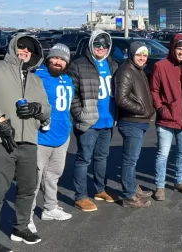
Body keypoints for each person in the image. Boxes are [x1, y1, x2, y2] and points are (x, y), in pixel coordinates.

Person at [0, 33, 51, 250]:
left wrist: (37, 109)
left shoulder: (36, 79)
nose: (25, 51)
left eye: (29, 49)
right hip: (0, 139)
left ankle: (21, 227)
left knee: (28, 188)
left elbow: (47, 109)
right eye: (21, 46)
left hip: (29, 141)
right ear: (13, 47)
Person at [68, 29, 118, 212]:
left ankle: (100, 190)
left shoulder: (112, 64)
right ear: (91, 44)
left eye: (104, 44)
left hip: (108, 121)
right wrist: (79, 113)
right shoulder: (79, 64)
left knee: (102, 158)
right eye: (97, 44)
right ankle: (80, 196)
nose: (101, 48)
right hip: (88, 123)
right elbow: (71, 93)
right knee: (84, 159)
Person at [29, 44, 73, 235]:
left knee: (53, 175)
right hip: (40, 137)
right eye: (54, 58)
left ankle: (50, 208)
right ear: (48, 59)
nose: (58, 61)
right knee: (32, 180)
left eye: (62, 59)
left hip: (62, 136)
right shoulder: (37, 76)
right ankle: (26, 217)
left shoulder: (68, 79)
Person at [151, 34, 182, 200]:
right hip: (166, 119)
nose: (181, 52)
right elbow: (154, 91)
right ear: (173, 48)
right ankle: (160, 186)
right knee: (163, 154)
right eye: (179, 48)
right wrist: (161, 108)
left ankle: (179, 181)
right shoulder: (160, 66)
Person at [114, 41, 155, 208]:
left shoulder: (138, 70)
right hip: (132, 121)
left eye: (144, 55)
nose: (142, 58)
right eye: (139, 54)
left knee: (133, 159)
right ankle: (128, 196)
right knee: (130, 160)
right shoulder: (125, 71)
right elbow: (121, 98)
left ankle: (132, 188)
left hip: (139, 121)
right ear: (131, 54)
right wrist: (142, 109)